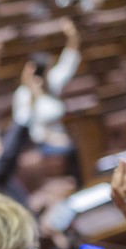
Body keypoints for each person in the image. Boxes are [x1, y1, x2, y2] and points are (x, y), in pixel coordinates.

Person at [12, 17, 80, 153]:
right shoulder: (22, 93)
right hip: (40, 144)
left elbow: (68, 62)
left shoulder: (51, 82)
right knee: (69, 150)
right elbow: (29, 128)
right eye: (48, 68)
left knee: (74, 147)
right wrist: (34, 94)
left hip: (61, 137)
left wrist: (73, 36)